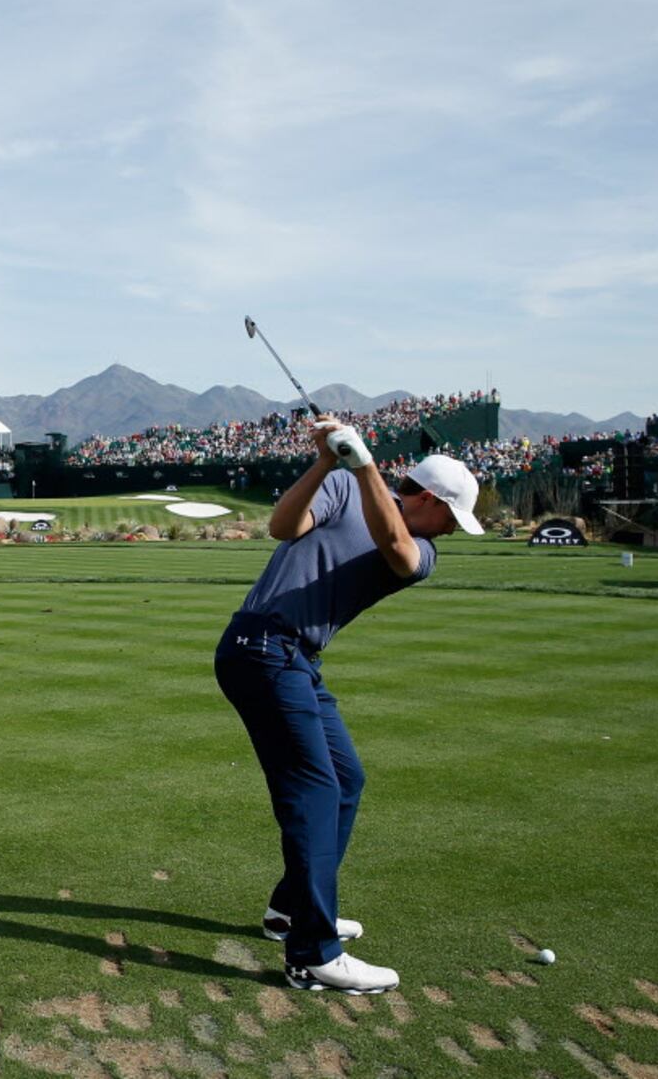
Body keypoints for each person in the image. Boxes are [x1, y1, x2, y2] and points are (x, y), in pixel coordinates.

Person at [214, 420, 483, 995]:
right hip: (260, 647)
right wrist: (324, 464)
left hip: (297, 658)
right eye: (452, 517)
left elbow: (395, 548)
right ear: (431, 500)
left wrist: (363, 467)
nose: (453, 532)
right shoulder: (341, 487)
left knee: (345, 779)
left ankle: (291, 912)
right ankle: (312, 952)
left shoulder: (424, 550)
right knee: (314, 790)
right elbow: (282, 527)